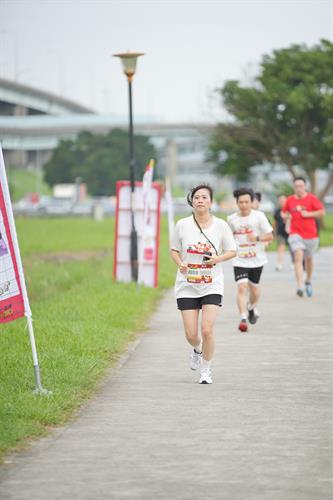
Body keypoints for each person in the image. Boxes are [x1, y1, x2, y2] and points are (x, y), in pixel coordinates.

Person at [170, 184, 236, 384]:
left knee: (207, 329)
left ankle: (206, 370)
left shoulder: (221, 225)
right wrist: (180, 263)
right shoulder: (182, 224)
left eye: (204, 197)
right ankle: (197, 349)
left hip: (211, 283)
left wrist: (217, 259)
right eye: (197, 197)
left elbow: (232, 251)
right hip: (187, 284)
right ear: (192, 201)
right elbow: (174, 250)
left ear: (210, 202)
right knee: (191, 334)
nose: (200, 200)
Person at [227, 187, 273, 332]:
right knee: (241, 287)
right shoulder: (231, 219)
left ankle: (251, 307)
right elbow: (227, 238)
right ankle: (243, 318)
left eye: (247, 202)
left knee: (254, 290)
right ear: (237, 203)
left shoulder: (259, 216)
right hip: (239, 259)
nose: (244, 205)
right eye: (241, 202)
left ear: (252, 202)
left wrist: (257, 238)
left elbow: (270, 236)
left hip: (257, 259)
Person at [281, 177, 325, 297]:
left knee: (309, 260)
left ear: (305, 186)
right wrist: (285, 216)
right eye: (296, 186)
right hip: (295, 234)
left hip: (311, 235)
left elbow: (321, 212)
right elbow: (283, 212)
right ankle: (300, 285)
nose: (299, 188)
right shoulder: (290, 200)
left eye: (301, 186)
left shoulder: (311, 198)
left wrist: (309, 214)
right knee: (298, 257)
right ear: (294, 187)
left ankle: (308, 281)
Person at [273, 194, 290, 271]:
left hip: (291, 233)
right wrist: (273, 233)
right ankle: (279, 264)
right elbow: (275, 222)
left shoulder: (291, 210)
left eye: (283, 200)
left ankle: (294, 262)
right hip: (280, 232)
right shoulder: (277, 211)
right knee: (280, 248)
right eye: (280, 200)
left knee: (293, 249)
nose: (282, 202)